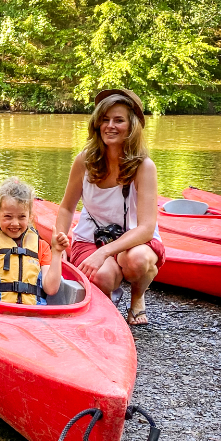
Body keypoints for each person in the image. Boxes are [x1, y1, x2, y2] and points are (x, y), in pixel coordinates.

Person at [54, 89, 165, 325]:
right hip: (91, 237)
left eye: (118, 120)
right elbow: (66, 208)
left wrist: (104, 252)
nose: (110, 126)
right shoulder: (85, 160)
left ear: (132, 125)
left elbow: (146, 228)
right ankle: (106, 305)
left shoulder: (144, 167)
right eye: (105, 120)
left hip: (134, 240)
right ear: (97, 124)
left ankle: (137, 297)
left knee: (136, 262)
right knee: (102, 276)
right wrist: (59, 244)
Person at [0, 177, 69, 305]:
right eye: (8, 216)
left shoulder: (41, 246)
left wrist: (57, 252)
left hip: (34, 314)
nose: (15, 223)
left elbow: (51, 289)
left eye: (22, 217)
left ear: (30, 217)